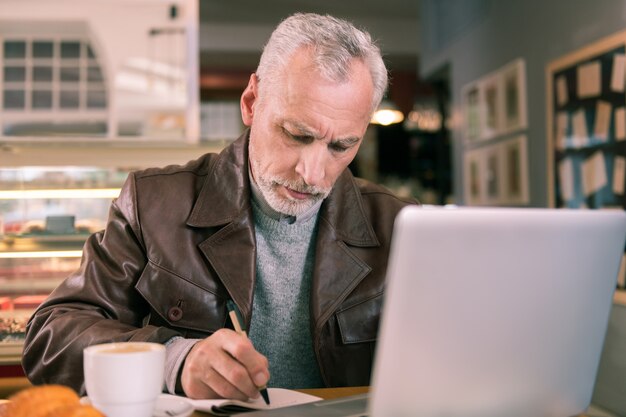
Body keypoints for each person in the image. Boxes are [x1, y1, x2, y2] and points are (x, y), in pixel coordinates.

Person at [22, 12, 416, 401]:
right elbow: (51, 336)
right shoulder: (153, 203)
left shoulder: (401, 225)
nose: (312, 174)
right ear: (251, 102)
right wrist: (175, 360)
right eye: (297, 135)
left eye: (341, 146)